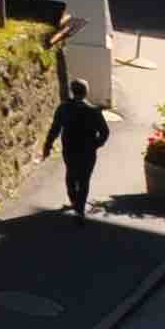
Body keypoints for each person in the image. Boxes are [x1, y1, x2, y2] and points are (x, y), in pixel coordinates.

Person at [44, 72, 112, 219]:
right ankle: (80, 208)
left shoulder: (63, 108)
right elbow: (105, 132)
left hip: (69, 149)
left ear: (72, 91)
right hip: (88, 151)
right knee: (84, 179)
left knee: (71, 176)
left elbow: (55, 129)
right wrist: (96, 144)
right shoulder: (94, 111)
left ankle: (75, 202)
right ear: (86, 92)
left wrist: (47, 146)